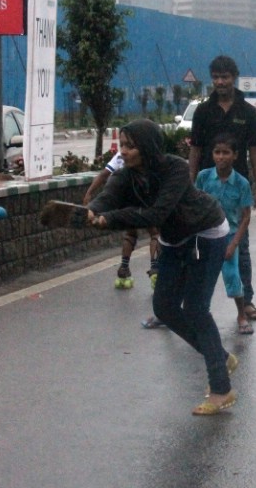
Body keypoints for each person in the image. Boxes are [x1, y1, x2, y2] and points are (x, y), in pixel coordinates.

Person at [86, 119, 240, 416]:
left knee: (195, 308)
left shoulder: (175, 168)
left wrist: (112, 219)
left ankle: (221, 389)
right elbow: (107, 198)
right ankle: (219, 356)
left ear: (147, 147)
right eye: (122, 145)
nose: (124, 152)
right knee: (165, 307)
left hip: (203, 234)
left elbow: (156, 212)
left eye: (130, 146)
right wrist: (93, 211)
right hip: (173, 238)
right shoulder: (125, 175)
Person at [189, 55, 256, 324]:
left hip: (237, 189)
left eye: (225, 77)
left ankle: (246, 303)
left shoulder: (248, 112)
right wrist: (189, 189)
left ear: (234, 78)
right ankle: (196, 304)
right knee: (201, 247)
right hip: (206, 189)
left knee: (239, 247)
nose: (220, 82)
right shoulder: (203, 112)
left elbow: (255, 151)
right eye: (216, 77)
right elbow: (195, 151)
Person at [194, 132, 256, 334]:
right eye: (217, 152)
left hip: (228, 235)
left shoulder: (241, 183)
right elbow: (195, 204)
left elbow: (245, 216)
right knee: (200, 278)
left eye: (226, 153)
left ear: (235, 155)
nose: (221, 157)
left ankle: (241, 313)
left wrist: (234, 243)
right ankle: (200, 315)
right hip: (205, 235)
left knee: (232, 275)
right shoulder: (204, 177)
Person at [83, 152, 160, 291]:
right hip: (144, 198)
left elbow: (104, 174)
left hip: (125, 199)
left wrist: (89, 192)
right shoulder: (146, 155)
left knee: (130, 234)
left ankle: (124, 269)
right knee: (154, 233)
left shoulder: (121, 156)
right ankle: (155, 269)